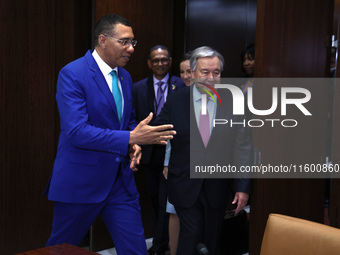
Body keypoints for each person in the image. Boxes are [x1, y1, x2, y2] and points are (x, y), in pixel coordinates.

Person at [43, 14, 176, 255]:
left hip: (120, 183)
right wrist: (131, 138)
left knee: (136, 250)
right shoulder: (72, 73)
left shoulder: (124, 76)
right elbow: (76, 132)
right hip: (80, 182)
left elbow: (126, 121)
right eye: (124, 41)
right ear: (103, 40)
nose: (131, 49)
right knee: (61, 250)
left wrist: (132, 141)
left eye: (133, 42)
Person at [153, 46, 252, 255]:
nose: (211, 77)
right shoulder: (177, 100)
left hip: (217, 186)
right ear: (193, 72)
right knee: (191, 233)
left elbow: (243, 146)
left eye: (216, 72)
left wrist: (243, 186)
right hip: (184, 183)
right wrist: (134, 140)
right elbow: (157, 131)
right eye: (205, 72)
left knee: (211, 239)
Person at [132, 45, 186, 255]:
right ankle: (160, 242)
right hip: (150, 154)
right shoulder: (138, 87)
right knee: (154, 200)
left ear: (170, 61)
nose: (160, 63)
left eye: (164, 60)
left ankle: (167, 244)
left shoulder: (180, 84)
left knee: (170, 202)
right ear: (149, 63)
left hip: (174, 153)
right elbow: (135, 119)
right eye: (156, 60)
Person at [162, 51, 193, 255]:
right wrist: (166, 163)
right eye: (182, 72)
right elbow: (170, 133)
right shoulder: (177, 98)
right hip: (178, 165)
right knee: (173, 211)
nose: (186, 76)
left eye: (190, 71)